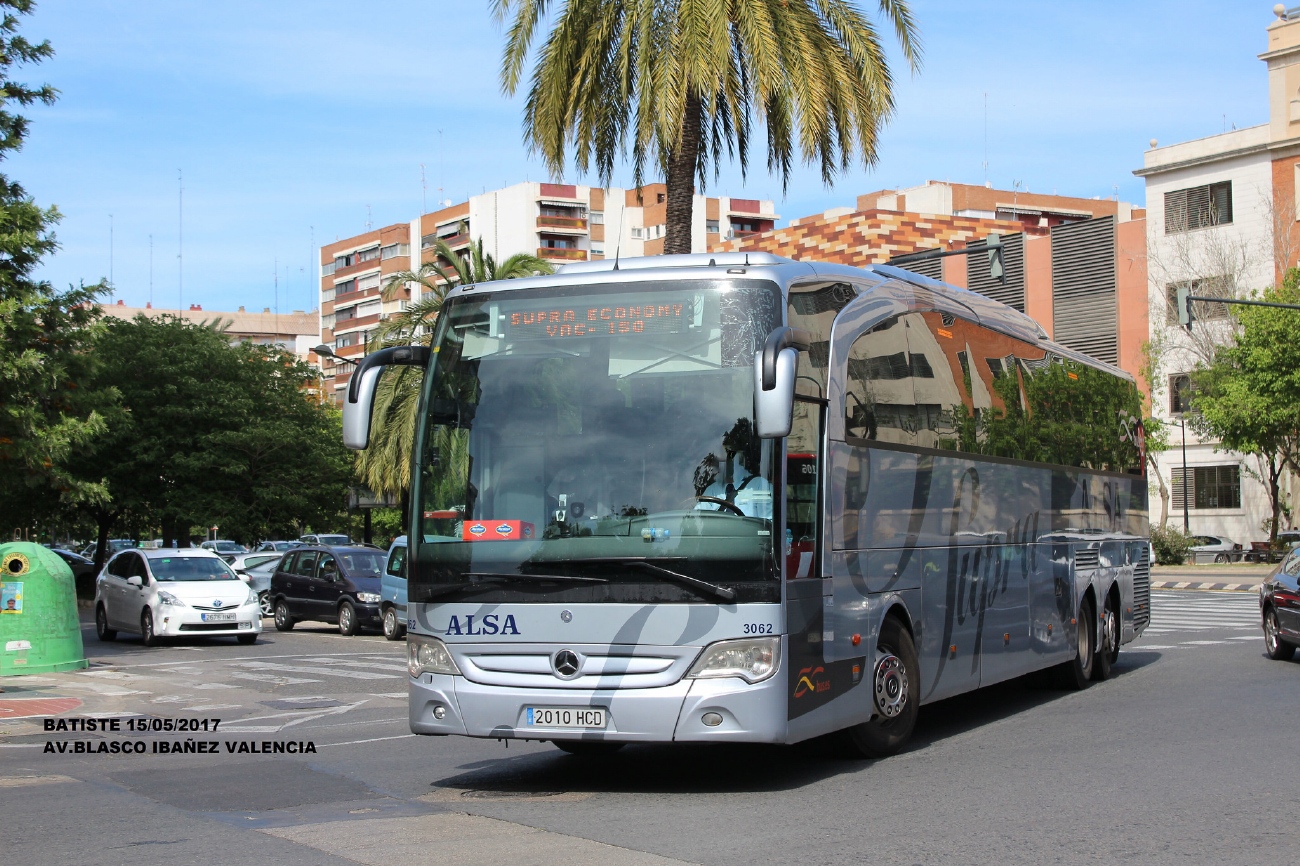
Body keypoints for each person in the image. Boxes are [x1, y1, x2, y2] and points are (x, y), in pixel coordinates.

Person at [696, 418, 772, 519]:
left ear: (741, 458)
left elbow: (768, 524)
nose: (724, 459)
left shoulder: (759, 485)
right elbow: (696, 520)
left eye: (729, 454)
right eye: (720, 455)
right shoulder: (713, 490)